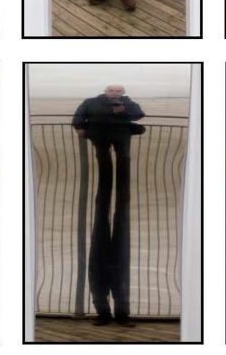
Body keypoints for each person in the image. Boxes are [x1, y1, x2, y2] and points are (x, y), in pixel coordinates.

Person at [72, 84, 145, 325]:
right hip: (101, 138)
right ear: (106, 91)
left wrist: (123, 111)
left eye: (119, 91)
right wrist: (81, 128)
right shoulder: (91, 101)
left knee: (123, 163)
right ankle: (103, 312)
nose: (116, 94)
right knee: (104, 169)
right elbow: (78, 116)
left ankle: (122, 314)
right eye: (113, 91)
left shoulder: (128, 102)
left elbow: (139, 114)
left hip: (121, 137)